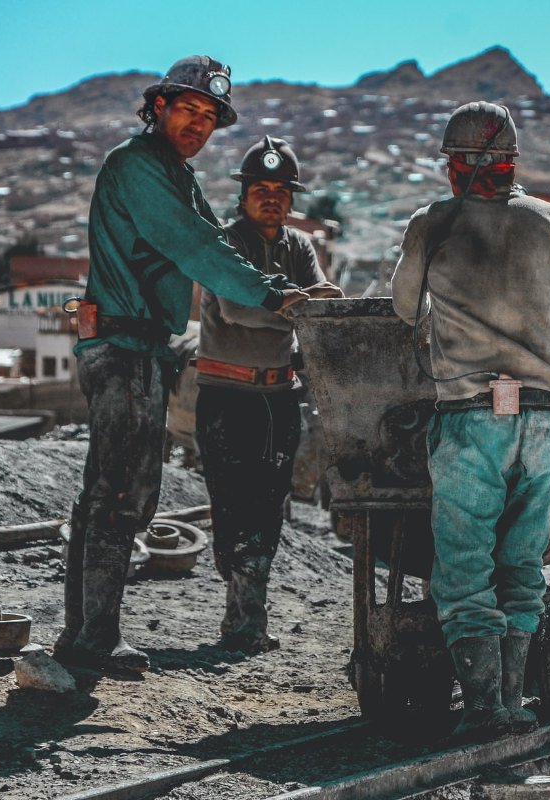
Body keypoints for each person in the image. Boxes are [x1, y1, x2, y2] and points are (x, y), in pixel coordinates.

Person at [54, 56, 324, 675]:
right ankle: (92, 639)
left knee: (121, 489)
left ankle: (88, 634)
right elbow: (200, 247)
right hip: (121, 346)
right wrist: (274, 295)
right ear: (158, 107)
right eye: (188, 109)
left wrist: (275, 283)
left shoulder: (176, 175)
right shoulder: (139, 166)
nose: (198, 124)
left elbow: (211, 239)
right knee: (119, 490)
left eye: (209, 116)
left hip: (142, 346)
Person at [391, 101, 550, 741]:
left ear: (455, 165)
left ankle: (483, 705)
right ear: (513, 159)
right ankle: (514, 701)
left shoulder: (433, 222)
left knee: (463, 569)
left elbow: (404, 306)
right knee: (521, 564)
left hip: (469, 421)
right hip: (542, 421)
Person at [196, 136, 341, 655]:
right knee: (232, 506)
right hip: (227, 397)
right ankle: (242, 615)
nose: (272, 199)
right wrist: (290, 307)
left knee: (269, 506)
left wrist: (306, 305)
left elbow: (321, 303)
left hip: (279, 398)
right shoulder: (224, 244)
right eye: (262, 189)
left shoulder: (298, 247)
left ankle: (245, 623)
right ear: (244, 195)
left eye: (281, 191)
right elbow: (237, 309)